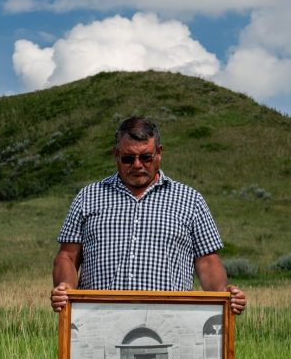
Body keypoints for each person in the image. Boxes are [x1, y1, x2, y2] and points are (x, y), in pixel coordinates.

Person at [50, 116, 246, 314]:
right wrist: (65, 286)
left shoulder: (190, 199)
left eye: (145, 157)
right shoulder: (88, 197)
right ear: (116, 154)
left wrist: (223, 294)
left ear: (159, 153)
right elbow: (67, 255)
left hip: (169, 322)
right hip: (99, 320)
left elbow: (207, 261)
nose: (137, 165)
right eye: (128, 158)